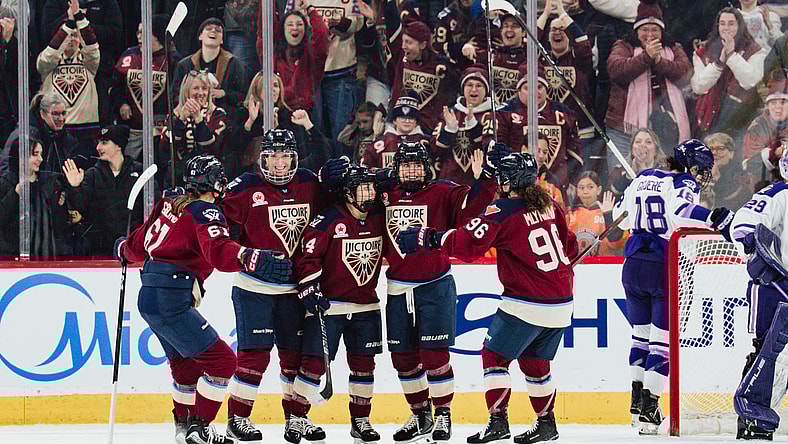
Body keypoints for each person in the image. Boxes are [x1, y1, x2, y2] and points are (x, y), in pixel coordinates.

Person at [397, 150, 578, 444]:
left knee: (494, 356)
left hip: (527, 302)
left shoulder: (503, 211)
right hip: (562, 301)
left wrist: (428, 238)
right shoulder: (550, 205)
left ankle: (498, 422)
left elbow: (468, 247)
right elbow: (569, 247)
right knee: (535, 363)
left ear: (509, 180)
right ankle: (546, 424)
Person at [114, 154, 293, 444]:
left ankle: (183, 429)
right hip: (171, 297)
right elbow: (219, 252)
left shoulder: (170, 202)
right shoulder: (205, 212)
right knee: (222, 362)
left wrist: (123, 249)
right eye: (220, 177)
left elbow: (138, 244)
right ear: (212, 182)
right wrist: (249, 256)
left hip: (150, 295)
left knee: (186, 367)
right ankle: (201, 427)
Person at [220, 130, 349, 444]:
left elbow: (336, 210)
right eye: (273, 156)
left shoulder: (308, 184)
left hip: (294, 290)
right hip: (254, 289)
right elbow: (216, 226)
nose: (279, 163)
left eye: (286, 156)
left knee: (293, 358)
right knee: (254, 356)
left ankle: (296, 419)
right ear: (262, 158)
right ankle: (238, 418)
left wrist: (337, 180)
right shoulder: (245, 188)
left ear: (295, 158)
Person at [611, 139, 734, 435]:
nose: (701, 176)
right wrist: (714, 218)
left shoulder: (642, 177)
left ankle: (637, 403)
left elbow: (619, 213)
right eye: (700, 170)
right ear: (690, 165)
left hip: (632, 264)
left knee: (640, 336)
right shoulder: (681, 181)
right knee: (663, 340)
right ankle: (651, 406)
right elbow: (681, 210)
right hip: (661, 264)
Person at [377, 141, 495, 443]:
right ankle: (420, 416)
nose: (412, 170)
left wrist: (485, 180)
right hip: (397, 288)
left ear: (427, 167)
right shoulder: (385, 193)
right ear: (397, 167)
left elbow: (472, 208)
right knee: (403, 358)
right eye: (406, 165)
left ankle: (443, 414)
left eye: (417, 165)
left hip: (435, 286)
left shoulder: (443, 191)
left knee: (434, 356)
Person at [292, 165, 386, 444]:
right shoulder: (328, 219)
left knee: (364, 366)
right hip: (330, 307)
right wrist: (309, 288)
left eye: (371, 187)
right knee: (312, 365)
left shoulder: (380, 217)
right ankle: (297, 416)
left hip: (367, 307)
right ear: (347, 193)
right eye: (362, 188)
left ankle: (361, 420)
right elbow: (307, 257)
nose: (369, 194)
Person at [729, 150, 788, 440]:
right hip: (774, 286)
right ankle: (751, 420)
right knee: (767, 349)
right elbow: (743, 222)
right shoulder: (779, 192)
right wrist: (758, 254)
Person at [606, 0, 692, 163]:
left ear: (662, 32)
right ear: (636, 31)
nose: (650, 34)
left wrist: (659, 61)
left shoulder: (673, 48)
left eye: (655, 30)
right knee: (621, 178)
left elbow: (685, 74)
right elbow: (616, 70)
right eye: (645, 29)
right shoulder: (624, 46)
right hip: (624, 129)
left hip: (666, 129)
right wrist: (646, 57)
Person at [61, 124, 148, 257]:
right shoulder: (92, 174)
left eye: (104, 143)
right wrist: (75, 187)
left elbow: (150, 206)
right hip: (101, 249)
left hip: (134, 246)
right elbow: (81, 207)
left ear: (119, 145)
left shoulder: (140, 172)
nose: (98, 147)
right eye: (98, 143)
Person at [692, 7, 766, 143]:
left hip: (740, 116)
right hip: (709, 116)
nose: (726, 28)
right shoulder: (705, 50)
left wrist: (731, 55)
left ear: (740, 26)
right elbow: (698, 86)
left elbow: (750, 81)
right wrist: (719, 63)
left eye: (731, 24)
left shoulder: (755, 50)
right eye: (722, 23)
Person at [37, 0, 101, 152]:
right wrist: (70, 23)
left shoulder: (89, 64)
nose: (72, 39)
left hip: (87, 130)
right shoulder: (48, 65)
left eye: (75, 35)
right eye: (68, 36)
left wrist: (79, 18)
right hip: (57, 129)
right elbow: (49, 55)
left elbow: (92, 48)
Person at [112, 15, 175, 160]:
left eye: (144, 33)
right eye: (138, 32)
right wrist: (121, 103)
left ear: (158, 36)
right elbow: (116, 86)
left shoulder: (172, 60)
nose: (139, 37)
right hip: (132, 129)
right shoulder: (129, 55)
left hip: (160, 130)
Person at [0, 136, 72, 259]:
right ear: (21, 156)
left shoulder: (51, 182)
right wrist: (14, 194)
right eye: (35, 154)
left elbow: (60, 223)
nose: (40, 159)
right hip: (14, 252)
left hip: (46, 251)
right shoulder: (6, 182)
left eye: (41, 154)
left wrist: (62, 203)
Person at [171, 18, 248, 126]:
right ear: (200, 36)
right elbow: (174, 94)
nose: (213, 31)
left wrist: (224, 93)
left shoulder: (235, 64)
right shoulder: (184, 65)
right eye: (208, 28)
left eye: (218, 30)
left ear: (222, 40)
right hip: (190, 121)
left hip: (225, 122)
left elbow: (244, 96)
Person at [163, 70, 229, 187]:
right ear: (186, 91)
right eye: (196, 88)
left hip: (208, 178)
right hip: (179, 177)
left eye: (204, 88)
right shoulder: (174, 114)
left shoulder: (217, 114)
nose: (200, 93)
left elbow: (212, 149)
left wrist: (199, 119)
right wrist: (181, 120)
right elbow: (164, 149)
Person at [433, 65, 495, 185]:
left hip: (479, 182)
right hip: (450, 181)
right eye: (469, 85)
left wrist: (474, 127)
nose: (474, 90)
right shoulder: (450, 113)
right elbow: (435, 151)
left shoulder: (494, 115)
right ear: (463, 88)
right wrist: (448, 131)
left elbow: (490, 151)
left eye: (479, 85)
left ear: (486, 90)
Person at [2, 92, 80, 175]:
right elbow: (6, 167)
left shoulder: (62, 135)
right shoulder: (27, 135)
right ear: (42, 114)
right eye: (55, 114)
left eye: (63, 113)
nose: (61, 118)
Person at [274, 0, 329, 115]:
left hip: (304, 113)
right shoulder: (274, 53)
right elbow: (262, 32)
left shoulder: (312, 54)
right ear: (283, 30)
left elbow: (322, 33)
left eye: (299, 24)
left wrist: (310, 9)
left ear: (305, 30)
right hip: (278, 111)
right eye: (290, 24)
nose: (295, 28)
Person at [567, 171, 626, 259]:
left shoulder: (609, 212)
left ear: (598, 190)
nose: (585, 191)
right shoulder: (570, 215)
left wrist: (608, 215)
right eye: (581, 188)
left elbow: (617, 243)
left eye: (590, 187)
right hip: (577, 267)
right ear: (577, 191)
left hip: (602, 266)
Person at [362, 93, 429, 169]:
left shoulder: (427, 143)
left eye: (411, 118)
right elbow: (366, 167)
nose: (407, 121)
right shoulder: (379, 144)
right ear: (394, 121)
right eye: (402, 117)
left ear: (416, 122)